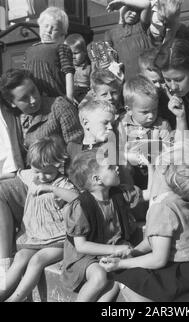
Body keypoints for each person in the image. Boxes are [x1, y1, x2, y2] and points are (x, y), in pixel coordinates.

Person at [99, 141, 189, 302]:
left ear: (163, 170)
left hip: (179, 273)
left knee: (124, 276)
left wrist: (121, 264)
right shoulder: (184, 198)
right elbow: (157, 239)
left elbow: (158, 258)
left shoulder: (162, 208)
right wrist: (133, 252)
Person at [61, 150, 151, 302]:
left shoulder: (118, 194)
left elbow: (150, 194)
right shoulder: (81, 206)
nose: (117, 168)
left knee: (118, 276)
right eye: (110, 167)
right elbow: (81, 246)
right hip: (84, 257)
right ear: (97, 179)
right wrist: (115, 249)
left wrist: (151, 166)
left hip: (108, 250)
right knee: (100, 276)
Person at [0, 136, 77, 302]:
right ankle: (2, 292)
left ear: (59, 166)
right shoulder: (30, 176)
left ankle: (14, 299)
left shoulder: (62, 184)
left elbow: (77, 197)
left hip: (58, 238)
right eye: (37, 171)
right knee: (20, 258)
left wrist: (52, 188)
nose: (41, 177)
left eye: (48, 172)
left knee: (37, 261)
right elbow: (16, 174)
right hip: (34, 237)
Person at [0, 69, 83, 151]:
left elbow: (76, 144)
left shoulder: (59, 107)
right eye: (24, 98)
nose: (33, 100)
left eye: (33, 91)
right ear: (12, 103)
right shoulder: (12, 120)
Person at [24, 7, 75, 101]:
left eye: (54, 29)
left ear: (62, 34)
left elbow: (68, 73)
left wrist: (69, 97)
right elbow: (24, 76)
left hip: (57, 98)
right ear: (39, 27)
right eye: (45, 26)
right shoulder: (29, 50)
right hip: (35, 100)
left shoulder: (61, 48)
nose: (48, 31)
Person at [105, 0, 152, 81]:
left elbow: (147, 5)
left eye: (138, 11)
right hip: (127, 81)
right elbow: (108, 58)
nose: (134, 14)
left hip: (147, 79)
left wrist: (123, 2)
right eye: (130, 9)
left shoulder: (142, 26)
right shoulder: (110, 33)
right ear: (121, 8)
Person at [65, 34, 91, 104]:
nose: (72, 56)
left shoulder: (88, 68)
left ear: (85, 52)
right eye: (69, 53)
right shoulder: (66, 69)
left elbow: (93, 86)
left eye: (75, 53)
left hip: (84, 95)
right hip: (69, 95)